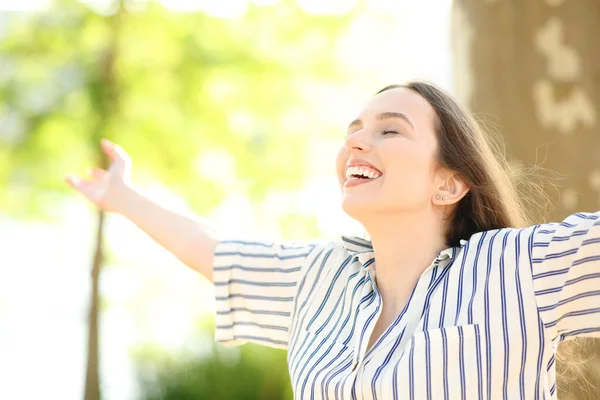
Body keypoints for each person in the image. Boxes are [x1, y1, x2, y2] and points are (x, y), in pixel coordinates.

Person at [65, 81, 600, 399]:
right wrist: (123, 197)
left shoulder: (518, 268)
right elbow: (213, 251)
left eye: (390, 130)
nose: (356, 142)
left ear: (449, 183)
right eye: (354, 130)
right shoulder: (319, 280)